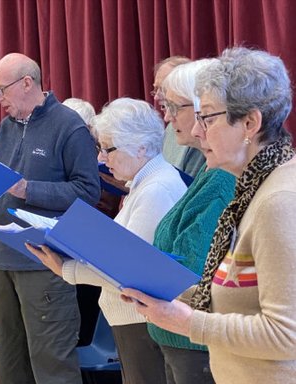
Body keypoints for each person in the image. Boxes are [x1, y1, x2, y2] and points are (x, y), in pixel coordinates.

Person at [122, 47, 296, 384]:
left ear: (250, 123)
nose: (198, 132)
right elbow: (235, 292)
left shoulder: (279, 200)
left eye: (209, 118)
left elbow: (285, 335)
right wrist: (166, 295)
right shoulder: (255, 184)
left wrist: (185, 321)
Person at [0, 53, 101, 384]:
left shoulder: (69, 126)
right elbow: (2, 197)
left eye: (1, 90)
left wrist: (30, 189)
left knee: (52, 366)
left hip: (45, 264)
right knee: (11, 365)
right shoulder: (6, 128)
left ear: (27, 82)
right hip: (0, 263)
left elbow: (89, 193)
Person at [27, 98, 187, 384]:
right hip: (136, 319)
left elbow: (129, 268)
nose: (101, 159)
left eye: (108, 149)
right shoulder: (145, 185)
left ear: (139, 146)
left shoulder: (156, 190)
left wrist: (67, 268)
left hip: (142, 321)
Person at [148, 59, 236, 384]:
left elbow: (195, 263)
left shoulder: (224, 176)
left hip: (195, 339)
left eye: (174, 107)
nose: (167, 118)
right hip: (179, 332)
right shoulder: (209, 168)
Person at [153, 56, 206, 178]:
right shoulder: (172, 128)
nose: (156, 97)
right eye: (156, 89)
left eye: (163, 88)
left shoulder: (197, 131)